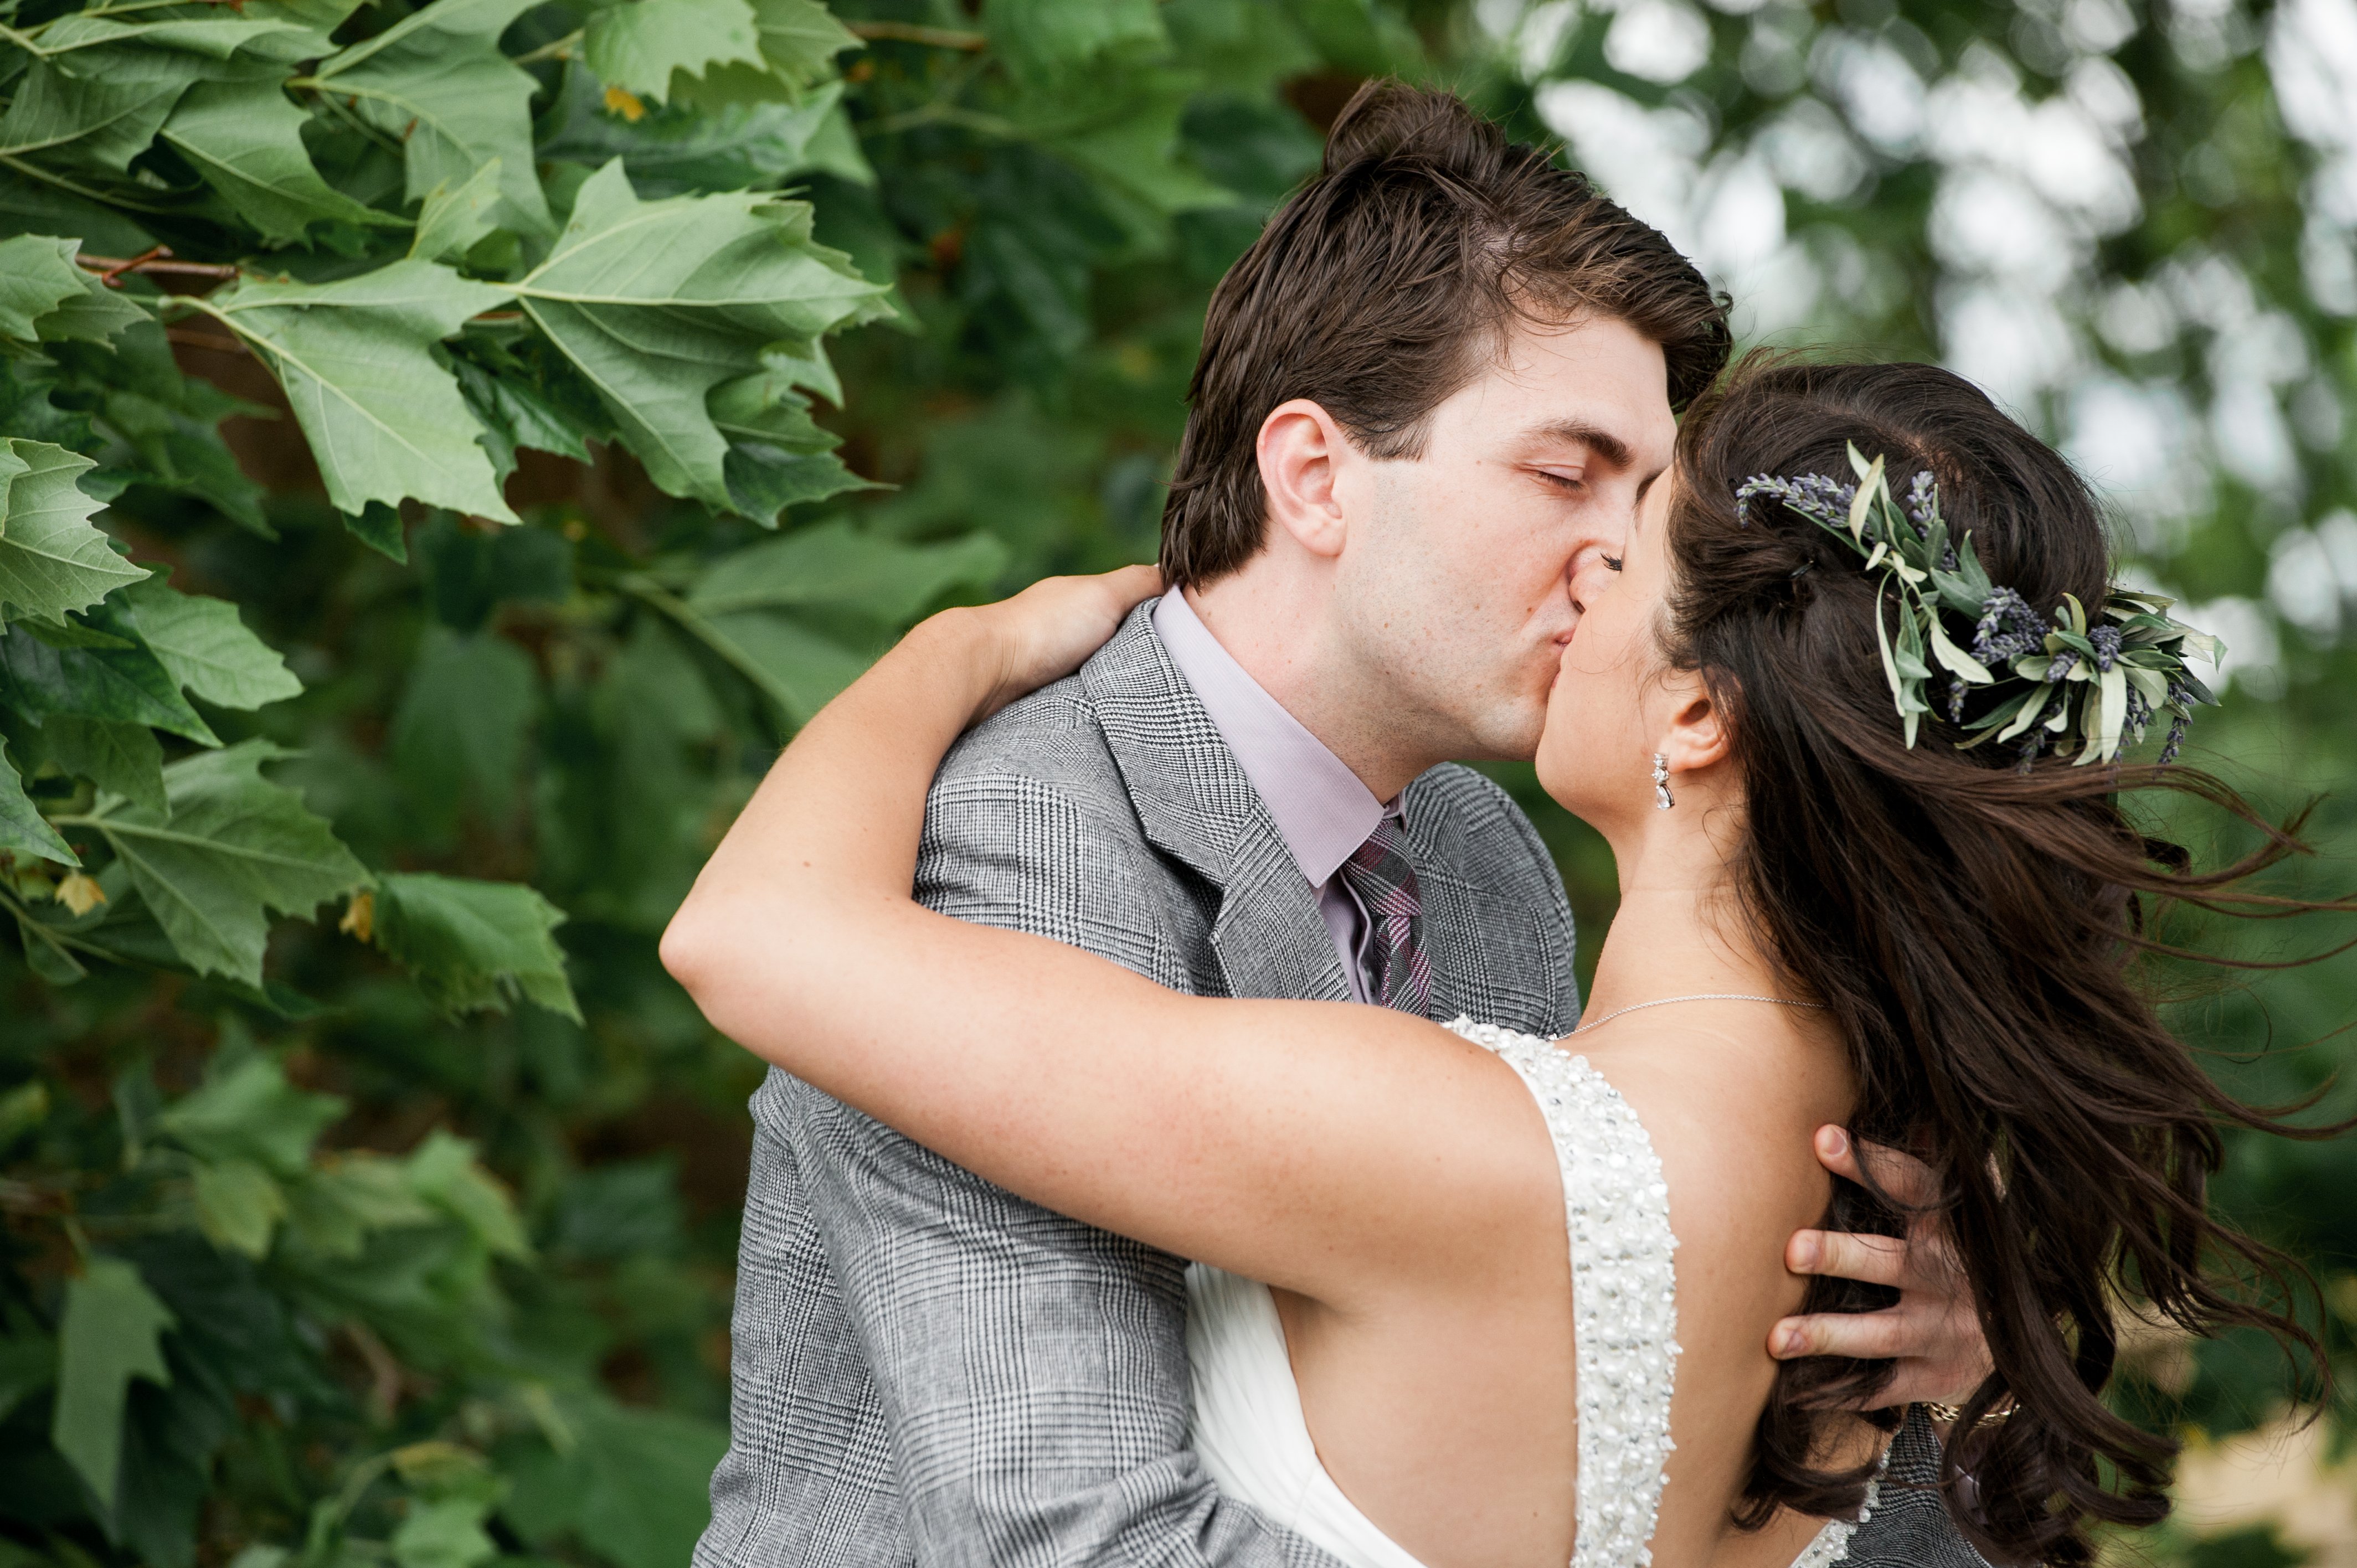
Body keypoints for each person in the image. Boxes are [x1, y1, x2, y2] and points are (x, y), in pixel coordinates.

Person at [666, 353, 2334, 1567]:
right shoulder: (1874, 1274)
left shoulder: (1457, 1149)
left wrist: (959, 644)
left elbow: (752, 934)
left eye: (1629, 548)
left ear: (1698, 708)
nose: (1579, 571)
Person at [689, 85, 1997, 1568]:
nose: (1617, 560)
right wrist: (955, 651)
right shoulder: (1015, 824)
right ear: (1314, 475)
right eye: (1567, 475)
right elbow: (1062, 1533)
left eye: (1644, 505)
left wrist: (1869, 1370)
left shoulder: (1487, 863)